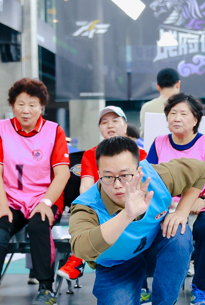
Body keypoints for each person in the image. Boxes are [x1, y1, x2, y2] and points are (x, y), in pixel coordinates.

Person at [70, 136, 205, 305]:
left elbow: (200, 170)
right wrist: (127, 214)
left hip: (154, 247)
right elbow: (81, 249)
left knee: (180, 233)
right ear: (98, 173)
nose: (117, 185)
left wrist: (181, 211)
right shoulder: (87, 206)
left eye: (125, 176)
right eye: (108, 177)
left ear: (138, 168)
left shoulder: (158, 177)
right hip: (117, 264)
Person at [0, 78, 70, 305]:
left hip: (44, 197)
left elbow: (61, 174)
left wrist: (46, 202)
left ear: (41, 107)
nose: (26, 110)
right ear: (12, 105)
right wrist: (1, 205)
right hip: (12, 199)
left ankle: (46, 290)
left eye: (32, 104)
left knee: (39, 226)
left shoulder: (54, 131)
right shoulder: (0, 129)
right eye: (20, 104)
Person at [58, 106, 148, 288]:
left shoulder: (141, 154)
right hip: (104, 207)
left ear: (125, 125)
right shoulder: (91, 155)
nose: (110, 125)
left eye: (115, 120)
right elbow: (86, 186)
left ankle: (78, 259)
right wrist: (93, 205)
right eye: (104, 122)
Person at [146, 93, 205, 305]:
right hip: (165, 207)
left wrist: (204, 198)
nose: (176, 118)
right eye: (172, 113)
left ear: (195, 119)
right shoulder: (159, 143)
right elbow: (149, 179)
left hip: (200, 205)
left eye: (183, 114)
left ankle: (199, 289)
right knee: (141, 226)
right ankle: (145, 289)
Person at [139, 67, 181, 139]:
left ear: (158, 86)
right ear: (178, 84)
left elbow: (144, 135)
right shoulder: (188, 106)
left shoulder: (146, 107)